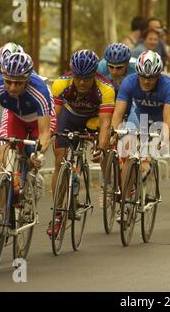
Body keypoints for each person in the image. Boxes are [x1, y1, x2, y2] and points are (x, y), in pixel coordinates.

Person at [0, 52, 54, 222]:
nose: (13, 87)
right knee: (3, 158)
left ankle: (32, 177)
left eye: (19, 83)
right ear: (2, 76)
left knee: (33, 155)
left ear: (28, 80)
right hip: (15, 117)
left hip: (39, 120)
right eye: (8, 81)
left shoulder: (40, 91)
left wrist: (39, 153)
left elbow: (45, 133)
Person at [48, 49, 115, 236]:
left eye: (87, 78)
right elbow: (54, 117)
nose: (82, 82)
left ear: (95, 73)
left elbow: (105, 124)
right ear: (72, 74)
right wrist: (49, 134)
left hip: (93, 120)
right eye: (78, 78)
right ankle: (58, 213)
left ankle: (108, 182)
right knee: (59, 161)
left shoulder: (106, 88)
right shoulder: (61, 83)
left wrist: (101, 147)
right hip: (70, 117)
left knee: (104, 149)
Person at [111, 50, 170, 221]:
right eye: (143, 77)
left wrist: (164, 139)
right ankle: (125, 202)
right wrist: (114, 132)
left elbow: (169, 118)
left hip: (158, 119)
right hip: (138, 115)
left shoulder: (168, 85)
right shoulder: (129, 82)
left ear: (159, 75)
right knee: (127, 151)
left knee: (148, 154)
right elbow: (118, 112)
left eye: (151, 77)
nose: (146, 81)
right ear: (137, 73)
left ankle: (146, 170)